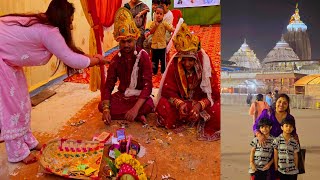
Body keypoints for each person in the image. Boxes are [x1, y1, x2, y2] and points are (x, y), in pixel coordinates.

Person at [0, 0, 109, 164]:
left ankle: (27, 139)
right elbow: (73, 60)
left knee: (23, 100)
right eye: (70, 22)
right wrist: (97, 61)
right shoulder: (49, 32)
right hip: (2, 61)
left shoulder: (45, 23)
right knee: (12, 106)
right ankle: (17, 152)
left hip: (9, 61)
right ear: (63, 19)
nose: (71, 27)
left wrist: (94, 58)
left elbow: (70, 53)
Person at [155, 23, 220, 141]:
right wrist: (179, 104)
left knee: (218, 112)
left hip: (200, 102)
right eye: (183, 60)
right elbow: (167, 91)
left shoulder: (204, 62)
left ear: (196, 58)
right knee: (163, 105)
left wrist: (200, 105)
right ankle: (190, 116)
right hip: (182, 102)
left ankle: (195, 116)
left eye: (191, 60)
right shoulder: (175, 63)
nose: (187, 64)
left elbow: (214, 94)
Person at [99, 7, 154, 125]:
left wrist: (135, 108)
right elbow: (109, 85)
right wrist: (106, 110)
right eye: (123, 42)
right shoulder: (116, 60)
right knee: (101, 106)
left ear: (135, 40)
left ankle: (136, 112)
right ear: (119, 42)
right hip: (123, 96)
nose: (126, 45)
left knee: (149, 104)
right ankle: (137, 115)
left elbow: (148, 87)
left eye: (129, 41)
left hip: (139, 97)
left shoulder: (143, 56)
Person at [253, 94, 299, 180]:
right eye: (279, 101)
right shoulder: (267, 113)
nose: (281, 104)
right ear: (276, 102)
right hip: (266, 150)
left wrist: (296, 145)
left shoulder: (290, 118)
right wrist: (259, 135)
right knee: (266, 175)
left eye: (285, 103)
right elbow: (255, 126)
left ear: (288, 105)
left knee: (282, 175)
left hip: (283, 152)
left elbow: (293, 133)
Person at [149, 5, 175, 75]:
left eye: (161, 14)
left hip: (162, 46)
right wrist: (155, 26)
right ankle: (154, 71)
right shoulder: (153, 23)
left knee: (163, 60)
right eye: (157, 13)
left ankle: (163, 72)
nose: (159, 15)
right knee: (154, 60)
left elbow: (170, 28)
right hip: (154, 46)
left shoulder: (164, 23)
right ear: (154, 14)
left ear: (163, 16)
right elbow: (151, 32)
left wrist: (175, 29)